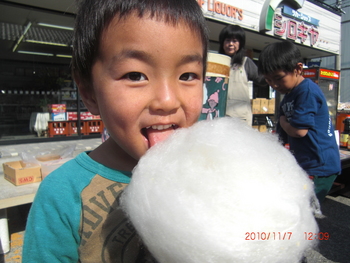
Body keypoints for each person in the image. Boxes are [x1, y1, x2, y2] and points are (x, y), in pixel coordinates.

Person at [22, 0, 208, 262]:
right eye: (135, 75)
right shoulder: (62, 196)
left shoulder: (212, 170)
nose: (167, 101)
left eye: (188, 75)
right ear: (88, 91)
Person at [258, 40, 341, 203]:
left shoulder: (306, 91)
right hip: (306, 161)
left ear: (298, 69)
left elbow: (298, 131)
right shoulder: (288, 96)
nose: (274, 84)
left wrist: (282, 121)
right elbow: (282, 137)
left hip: (320, 165)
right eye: (268, 80)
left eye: (278, 78)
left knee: (305, 209)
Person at [218, 24, 264, 126]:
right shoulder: (216, 62)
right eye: (227, 40)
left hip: (240, 117)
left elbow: (262, 80)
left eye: (234, 41)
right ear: (222, 43)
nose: (230, 44)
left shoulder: (245, 62)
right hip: (219, 115)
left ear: (240, 44)